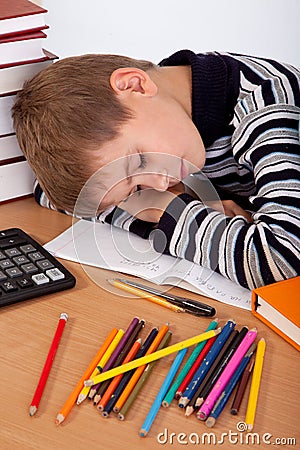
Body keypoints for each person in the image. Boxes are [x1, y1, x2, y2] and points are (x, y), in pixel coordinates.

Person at [12, 50, 300, 290]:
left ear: (135, 85)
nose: (161, 185)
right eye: (136, 190)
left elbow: (281, 262)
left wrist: (172, 211)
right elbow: (48, 194)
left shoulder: (269, 106)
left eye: (139, 161)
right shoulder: (166, 119)